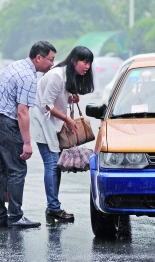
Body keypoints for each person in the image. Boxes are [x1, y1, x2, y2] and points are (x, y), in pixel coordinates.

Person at [0, 41, 57, 228]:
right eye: (50, 59)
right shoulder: (28, 77)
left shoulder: (15, 65)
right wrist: (27, 143)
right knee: (17, 169)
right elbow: (22, 113)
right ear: (38, 57)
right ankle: (15, 216)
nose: (52, 64)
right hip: (5, 123)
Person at [30, 46, 95, 222]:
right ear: (74, 61)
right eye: (84, 61)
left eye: (89, 62)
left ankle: (53, 207)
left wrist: (71, 98)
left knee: (55, 165)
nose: (87, 66)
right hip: (42, 123)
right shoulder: (57, 76)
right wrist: (67, 119)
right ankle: (53, 208)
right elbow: (46, 104)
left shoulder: (66, 76)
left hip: (52, 125)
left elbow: (56, 100)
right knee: (52, 165)